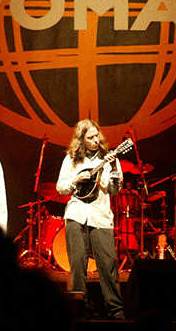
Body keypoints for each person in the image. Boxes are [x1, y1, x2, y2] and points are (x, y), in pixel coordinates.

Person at [56, 119, 124, 319]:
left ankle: (116, 310)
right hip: (76, 214)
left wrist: (112, 169)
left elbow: (115, 190)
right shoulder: (71, 159)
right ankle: (79, 310)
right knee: (77, 265)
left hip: (101, 216)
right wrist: (75, 180)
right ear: (81, 139)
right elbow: (61, 187)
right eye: (90, 137)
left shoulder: (109, 157)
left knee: (108, 265)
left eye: (97, 136)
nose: (96, 140)